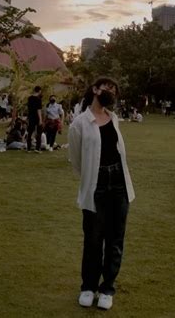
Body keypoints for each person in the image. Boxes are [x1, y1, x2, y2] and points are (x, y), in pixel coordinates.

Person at [68, 77, 135, 311]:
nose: (111, 92)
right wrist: (90, 179)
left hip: (118, 184)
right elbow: (75, 160)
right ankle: (88, 287)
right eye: (107, 88)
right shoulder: (80, 123)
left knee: (115, 239)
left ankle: (107, 288)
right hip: (95, 185)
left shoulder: (114, 118)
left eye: (114, 90)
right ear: (95, 90)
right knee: (93, 238)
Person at [27, 86, 43, 153]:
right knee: (39, 132)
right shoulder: (38, 99)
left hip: (31, 116)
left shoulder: (29, 98)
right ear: (39, 91)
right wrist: (40, 119)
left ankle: (28, 148)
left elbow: (28, 108)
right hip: (36, 116)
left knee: (30, 132)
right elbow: (38, 110)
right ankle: (37, 148)